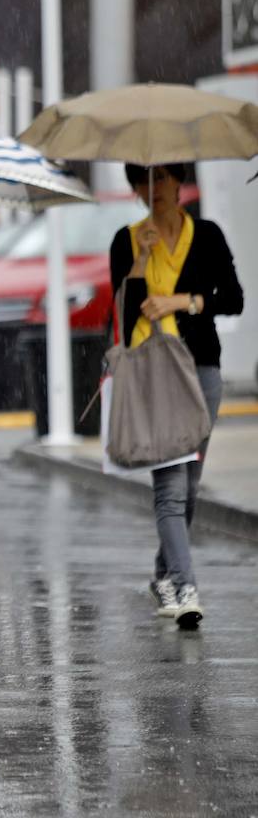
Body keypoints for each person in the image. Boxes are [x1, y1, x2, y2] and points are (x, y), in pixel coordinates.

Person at [108, 163, 244, 628]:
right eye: (143, 180)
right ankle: (184, 586)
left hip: (202, 370)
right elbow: (125, 318)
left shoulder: (206, 235)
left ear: (179, 181)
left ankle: (164, 573)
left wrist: (182, 301)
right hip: (155, 375)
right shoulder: (126, 240)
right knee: (170, 487)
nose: (155, 188)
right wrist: (142, 261)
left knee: (190, 486)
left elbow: (234, 298)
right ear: (134, 189)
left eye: (163, 177)